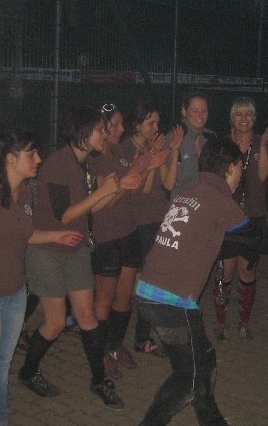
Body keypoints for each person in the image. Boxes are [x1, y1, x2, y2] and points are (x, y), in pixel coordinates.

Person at [136, 137, 268, 426]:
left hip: (150, 291)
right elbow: (259, 239)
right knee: (189, 377)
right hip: (171, 301)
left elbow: (220, 237)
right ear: (231, 168)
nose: (240, 177)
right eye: (240, 170)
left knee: (204, 360)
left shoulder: (190, 193)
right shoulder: (220, 202)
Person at [0, 128, 83, 426]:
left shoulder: (25, 193)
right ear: (10, 158)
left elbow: (23, 234)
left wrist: (56, 236)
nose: (38, 159)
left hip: (15, 294)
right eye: (32, 153)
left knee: (2, 367)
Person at [19, 107, 140, 408]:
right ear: (83, 132)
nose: (105, 134)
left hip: (75, 249)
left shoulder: (85, 163)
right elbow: (65, 215)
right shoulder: (59, 164)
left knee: (87, 317)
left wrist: (115, 189)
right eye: (100, 129)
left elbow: (89, 210)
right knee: (56, 322)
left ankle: (99, 380)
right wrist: (103, 191)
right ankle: (28, 371)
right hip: (48, 251)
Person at [91, 103, 167, 379]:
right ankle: (98, 353)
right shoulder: (96, 159)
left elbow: (134, 191)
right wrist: (135, 170)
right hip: (107, 235)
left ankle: (114, 345)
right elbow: (107, 202)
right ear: (99, 128)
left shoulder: (121, 153)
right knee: (104, 301)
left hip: (129, 231)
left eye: (121, 124)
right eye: (113, 125)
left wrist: (146, 167)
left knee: (124, 298)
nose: (120, 129)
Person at [117, 101, 183, 358]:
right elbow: (139, 191)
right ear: (137, 124)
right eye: (151, 122)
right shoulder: (126, 148)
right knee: (142, 282)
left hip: (159, 218)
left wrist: (173, 150)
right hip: (139, 221)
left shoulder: (154, 146)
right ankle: (136, 338)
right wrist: (151, 162)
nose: (156, 127)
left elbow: (169, 183)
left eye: (157, 122)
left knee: (151, 280)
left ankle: (141, 337)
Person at [213, 96, 268, 341]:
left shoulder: (261, 142)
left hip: (253, 216)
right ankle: (221, 322)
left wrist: (263, 146)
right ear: (232, 118)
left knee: (247, 273)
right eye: (239, 114)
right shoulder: (223, 143)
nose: (244, 119)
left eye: (249, 114)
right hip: (228, 216)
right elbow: (218, 178)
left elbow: (263, 176)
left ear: (254, 119)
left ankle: (244, 320)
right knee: (225, 272)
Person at [169, 92, 216, 198]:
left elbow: (216, 175)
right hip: (181, 201)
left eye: (204, 111)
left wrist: (202, 158)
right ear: (184, 111)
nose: (200, 115)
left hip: (206, 198)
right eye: (195, 111)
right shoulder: (174, 138)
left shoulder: (211, 137)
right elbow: (171, 182)